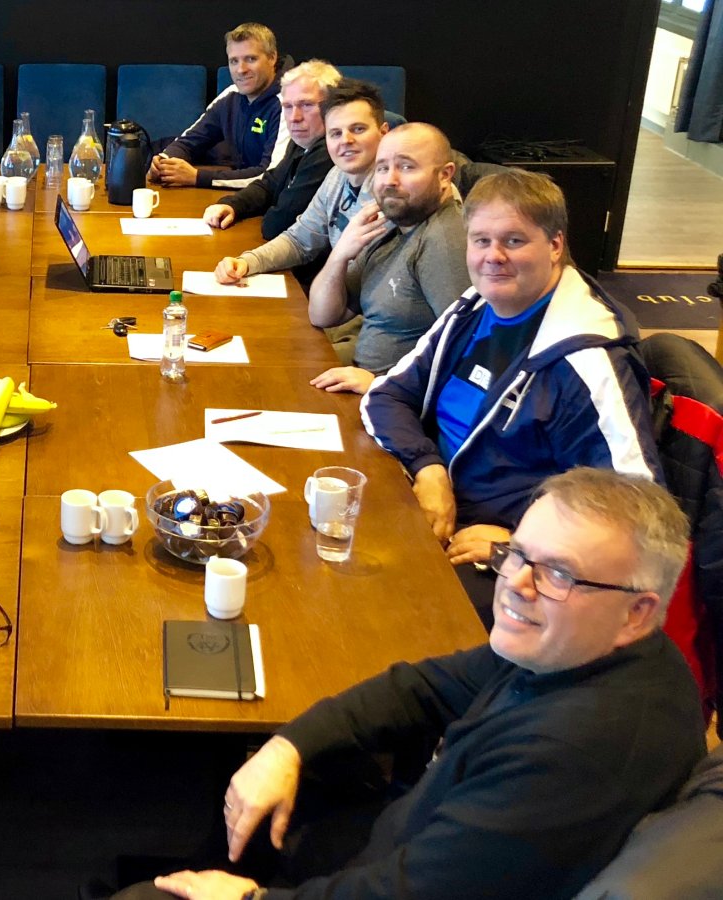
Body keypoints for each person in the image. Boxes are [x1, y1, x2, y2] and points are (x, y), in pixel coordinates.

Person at [112, 469, 704, 900]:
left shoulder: (572, 755)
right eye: (517, 553)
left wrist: (248, 898)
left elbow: (413, 891)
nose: (515, 584)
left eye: (558, 574)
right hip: (409, 833)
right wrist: (285, 748)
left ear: (637, 611)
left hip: (403, 873)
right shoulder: (578, 648)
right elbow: (421, 687)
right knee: (283, 779)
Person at [363, 169, 661, 617]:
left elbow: (639, 513)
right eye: (480, 240)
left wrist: (521, 549)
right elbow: (387, 395)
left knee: (384, 609)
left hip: (515, 561)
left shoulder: (588, 362)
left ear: (555, 245)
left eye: (514, 241)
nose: (493, 256)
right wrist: (429, 470)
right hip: (433, 504)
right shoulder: (474, 308)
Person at [306, 123, 471, 394]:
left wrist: (381, 385)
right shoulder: (390, 227)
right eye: (382, 168)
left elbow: (468, 353)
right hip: (366, 384)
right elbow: (322, 315)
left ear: (445, 175)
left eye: (406, 167)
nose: (390, 180)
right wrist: (340, 254)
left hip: (392, 401)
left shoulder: (444, 240)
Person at [213, 79, 390, 289]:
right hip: (334, 297)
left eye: (358, 129)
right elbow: (299, 241)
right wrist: (247, 262)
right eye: (336, 133)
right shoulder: (336, 176)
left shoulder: (393, 195)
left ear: (383, 133)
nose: (346, 140)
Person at [200, 61, 341, 241]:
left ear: (333, 107)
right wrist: (232, 205)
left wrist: (269, 211)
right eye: (288, 106)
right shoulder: (302, 142)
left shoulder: (328, 151)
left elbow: (277, 225)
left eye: (306, 105)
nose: (294, 118)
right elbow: (270, 184)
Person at [151, 23, 292, 190]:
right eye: (234, 61)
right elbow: (189, 141)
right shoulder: (230, 95)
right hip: (245, 196)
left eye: (251, 59)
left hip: (277, 198)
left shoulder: (290, 103)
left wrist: (198, 177)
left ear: (272, 58)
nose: (241, 70)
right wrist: (165, 161)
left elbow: (271, 176)